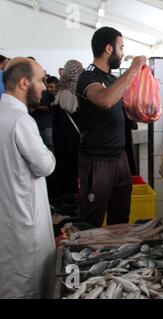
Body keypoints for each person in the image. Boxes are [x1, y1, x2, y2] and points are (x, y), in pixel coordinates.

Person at [76, 26, 146, 227]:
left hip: (119, 157)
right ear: (108, 48)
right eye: (121, 48)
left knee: (121, 218)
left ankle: (115, 257)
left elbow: (123, 108)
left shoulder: (113, 78)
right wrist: (133, 69)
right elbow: (105, 100)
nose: (122, 54)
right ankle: (87, 255)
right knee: (91, 221)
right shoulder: (88, 77)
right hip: (97, 161)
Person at [0, 57, 56, 298]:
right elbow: (45, 165)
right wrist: (50, 154)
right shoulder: (21, 120)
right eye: (41, 80)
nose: (44, 87)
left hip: (8, 220)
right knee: (28, 285)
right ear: (24, 83)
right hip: (25, 221)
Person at [52, 59, 84, 197]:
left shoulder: (60, 87)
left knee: (63, 165)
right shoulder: (78, 89)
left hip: (60, 136)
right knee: (75, 167)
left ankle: (64, 195)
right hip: (75, 138)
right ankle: (75, 195)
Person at [31, 75, 59, 152]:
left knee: (49, 147)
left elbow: (49, 108)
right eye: (49, 86)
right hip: (37, 125)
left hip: (48, 126)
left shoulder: (58, 95)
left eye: (52, 87)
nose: (50, 89)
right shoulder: (42, 93)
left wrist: (36, 106)